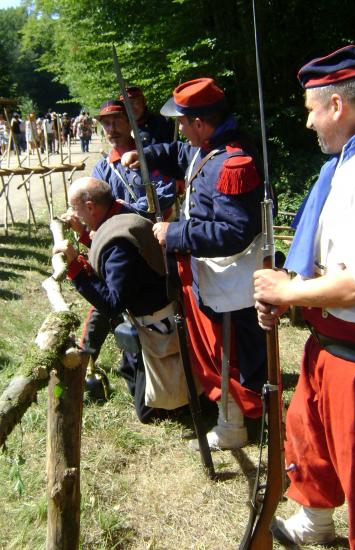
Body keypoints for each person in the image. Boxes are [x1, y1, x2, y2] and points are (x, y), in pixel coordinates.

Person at [253, 45, 355, 550]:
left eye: (310, 111)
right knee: (310, 434)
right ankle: (315, 520)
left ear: (336, 106)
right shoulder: (351, 162)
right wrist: (291, 290)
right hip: (330, 340)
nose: (308, 124)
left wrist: (291, 291)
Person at [122, 78, 268, 450]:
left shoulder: (234, 162)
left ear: (200, 123)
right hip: (215, 280)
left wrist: (175, 235)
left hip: (233, 283)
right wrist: (147, 154)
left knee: (236, 358)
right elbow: (178, 154)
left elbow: (233, 233)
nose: (180, 129)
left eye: (184, 122)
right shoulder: (208, 147)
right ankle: (234, 419)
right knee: (224, 354)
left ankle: (244, 424)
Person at [56, 177, 187, 421]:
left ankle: (182, 402)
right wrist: (84, 235)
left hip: (158, 326)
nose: (73, 214)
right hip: (150, 314)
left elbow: (112, 303)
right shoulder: (117, 215)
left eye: (75, 208)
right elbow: (105, 253)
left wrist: (75, 267)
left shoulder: (119, 244)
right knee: (128, 367)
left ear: (91, 207)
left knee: (148, 412)